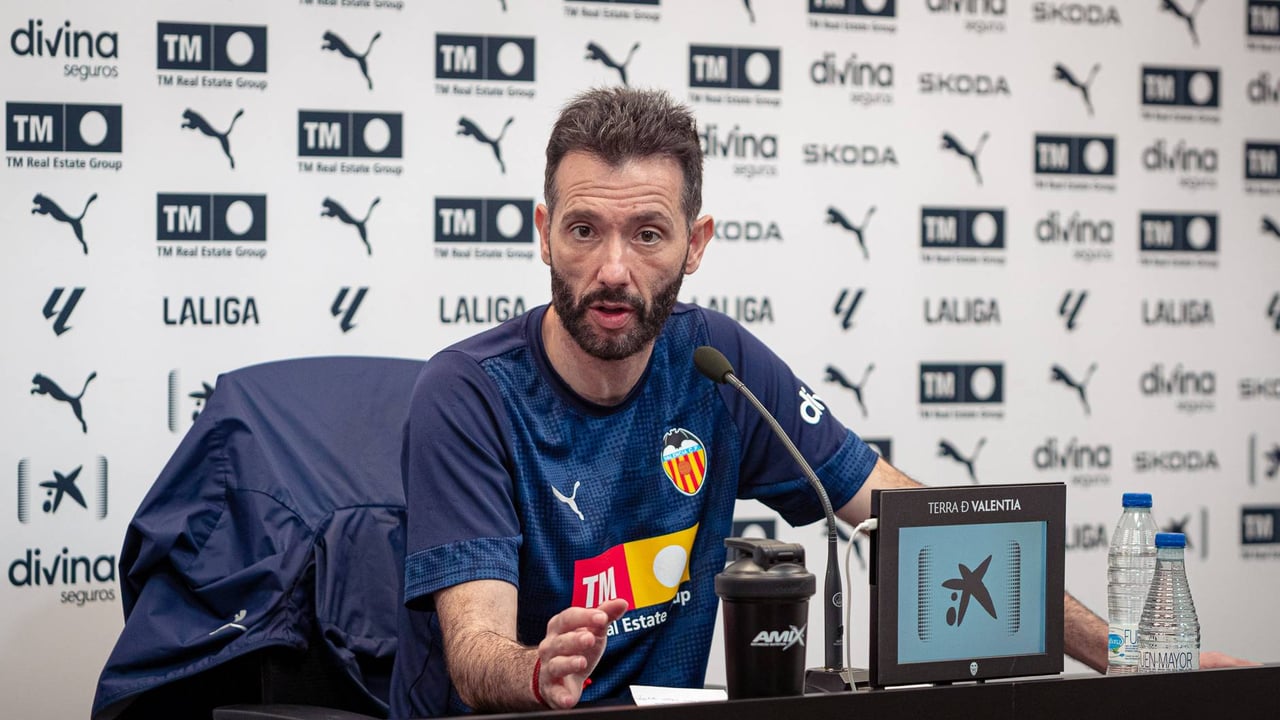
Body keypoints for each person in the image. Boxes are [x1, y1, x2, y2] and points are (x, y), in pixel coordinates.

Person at [390, 87, 1251, 718]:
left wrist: (1124, 658)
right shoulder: (468, 394)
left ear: (695, 245)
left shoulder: (718, 368)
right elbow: (474, 651)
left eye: (647, 234)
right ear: (544, 232)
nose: (613, 269)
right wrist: (538, 670)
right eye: (585, 230)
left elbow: (910, 518)